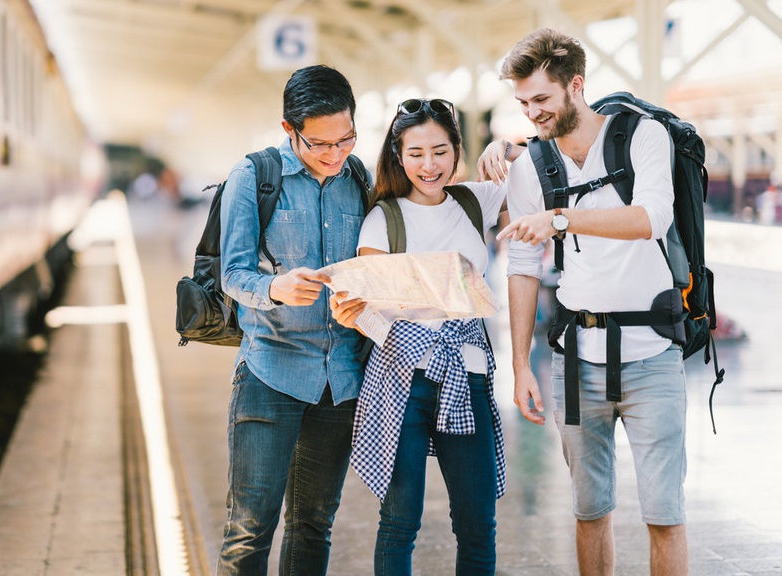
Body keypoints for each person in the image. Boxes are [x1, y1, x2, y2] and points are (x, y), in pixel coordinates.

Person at [494, 29, 688, 576]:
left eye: (542, 100)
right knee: (588, 510)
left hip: (654, 357)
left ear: (575, 86)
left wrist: (561, 218)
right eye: (524, 103)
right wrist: (518, 367)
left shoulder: (643, 137)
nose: (532, 113)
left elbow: (652, 218)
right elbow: (523, 266)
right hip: (577, 363)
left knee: (665, 515)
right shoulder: (531, 165)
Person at [330, 98, 518, 575]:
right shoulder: (383, 219)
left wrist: (507, 147)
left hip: (469, 372)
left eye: (440, 151)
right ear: (398, 156)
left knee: (478, 523)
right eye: (415, 153)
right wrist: (357, 316)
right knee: (399, 522)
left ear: (457, 150)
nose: (428, 165)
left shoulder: (478, 199)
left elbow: (544, 166)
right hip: (401, 380)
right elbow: (368, 310)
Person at [217, 64, 371, 576]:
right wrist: (273, 289)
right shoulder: (253, 176)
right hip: (269, 372)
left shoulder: (361, 178)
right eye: (320, 144)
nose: (335, 155)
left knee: (313, 525)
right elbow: (232, 273)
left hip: (340, 380)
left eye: (345, 139)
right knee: (249, 529)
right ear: (289, 130)